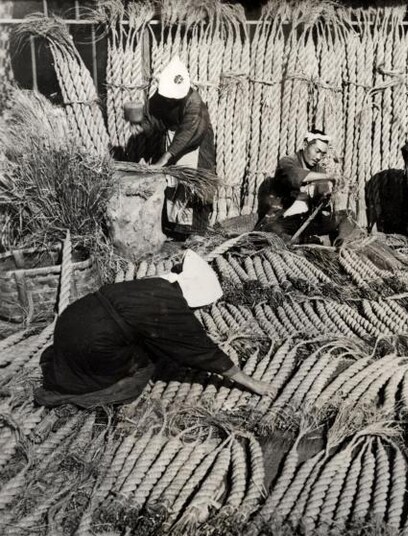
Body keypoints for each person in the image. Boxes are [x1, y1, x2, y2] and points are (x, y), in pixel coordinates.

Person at [34, 250, 275, 409]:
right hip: (92, 343)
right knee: (143, 371)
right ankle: (87, 387)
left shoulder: (156, 286)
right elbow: (202, 352)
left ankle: (72, 368)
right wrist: (251, 382)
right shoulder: (171, 307)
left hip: (71, 323)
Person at [146, 57, 216, 237]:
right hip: (170, 140)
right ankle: (173, 229)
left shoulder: (195, 103)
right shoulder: (159, 98)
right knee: (172, 183)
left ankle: (196, 232)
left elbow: (188, 133)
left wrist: (165, 157)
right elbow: (152, 117)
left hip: (196, 145)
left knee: (194, 184)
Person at [256, 129, 357, 245]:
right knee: (273, 230)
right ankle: (303, 241)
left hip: (306, 221)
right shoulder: (287, 162)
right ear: (305, 145)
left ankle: (339, 243)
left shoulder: (319, 169)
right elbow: (294, 176)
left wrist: (327, 196)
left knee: (348, 216)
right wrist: (329, 176)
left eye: (322, 154)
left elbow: (322, 198)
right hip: (281, 220)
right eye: (317, 151)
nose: (319, 157)